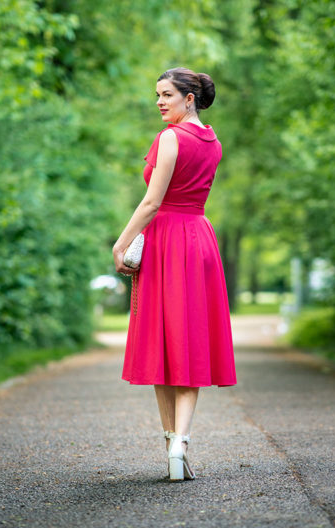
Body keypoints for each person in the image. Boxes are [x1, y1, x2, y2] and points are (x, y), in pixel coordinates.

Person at [112, 67, 236, 482]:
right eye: (157, 95)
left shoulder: (171, 138)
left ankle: (175, 444)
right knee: (183, 342)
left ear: (190, 98)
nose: (160, 102)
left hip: (167, 241)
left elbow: (151, 202)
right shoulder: (213, 142)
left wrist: (121, 242)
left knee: (169, 343)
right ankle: (177, 445)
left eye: (167, 94)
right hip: (198, 240)